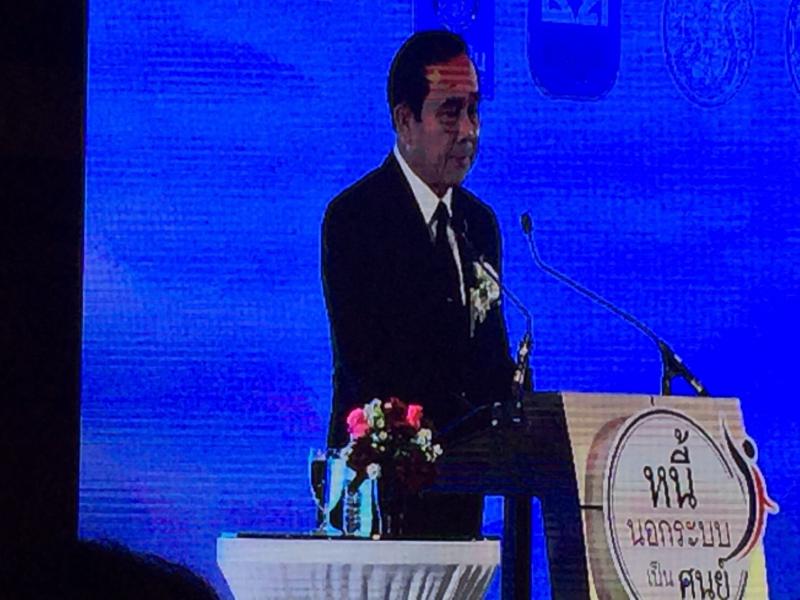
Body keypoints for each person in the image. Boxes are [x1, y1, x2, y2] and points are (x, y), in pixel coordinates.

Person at [321, 30, 514, 538]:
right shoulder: (355, 218)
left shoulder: (478, 224)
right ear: (405, 120)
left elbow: (489, 357)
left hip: (460, 491)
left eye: (474, 110)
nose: (468, 130)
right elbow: (368, 363)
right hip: (376, 487)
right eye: (450, 113)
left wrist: (520, 411)